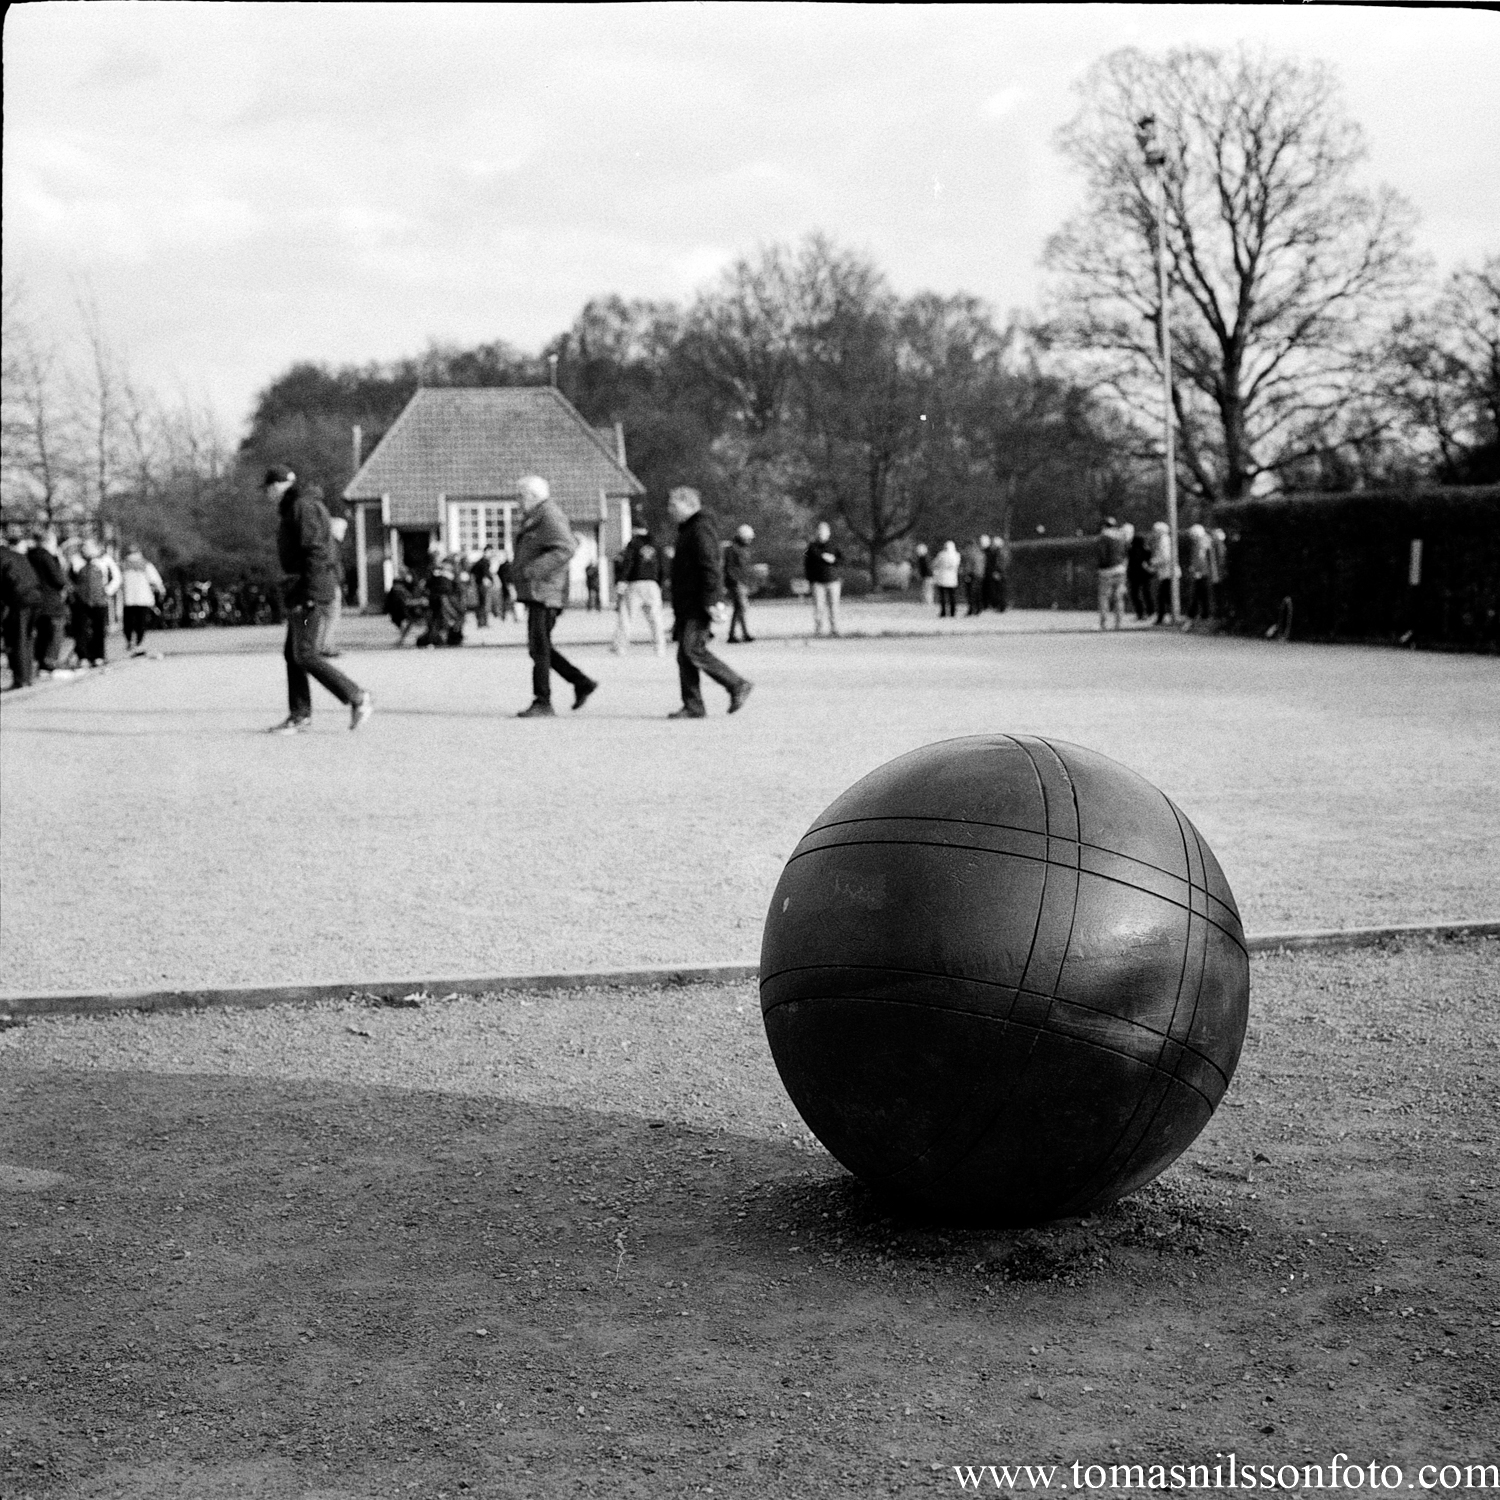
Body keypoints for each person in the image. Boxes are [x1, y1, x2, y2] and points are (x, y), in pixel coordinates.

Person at [263, 464, 373, 734]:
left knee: (305, 653)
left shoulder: (302, 506)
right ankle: (300, 714)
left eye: (268, 488)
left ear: (277, 485)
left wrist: (308, 591)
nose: (267, 494)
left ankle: (357, 696)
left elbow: (314, 550)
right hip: (305, 585)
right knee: (293, 653)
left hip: (311, 587)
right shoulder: (297, 505)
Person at [512, 474, 596, 718]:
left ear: (532, 496)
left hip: (546, 592)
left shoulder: (549, 515)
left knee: (539, 648)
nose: (518, 501)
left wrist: (533, 570)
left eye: (520, 496)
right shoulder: (539, 516)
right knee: (540, 647)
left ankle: (543, 701)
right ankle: (581, 682)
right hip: (539, 591)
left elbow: (567, 546)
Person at [668, 486, 751, 718]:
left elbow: (711, 566)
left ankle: (736, 684)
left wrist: (711, 600)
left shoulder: (700, 529)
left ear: (689, 504)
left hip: (698, 602)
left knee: (693, 649)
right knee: (685, 656)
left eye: (674, 505)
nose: (669, 510)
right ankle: (693, 706)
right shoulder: (688, 529)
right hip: (686, 603)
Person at [611, 519, 667, 655]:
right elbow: (663, 565)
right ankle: (660, 648)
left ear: (635, 529)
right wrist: (659, 583)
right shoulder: (656, 543)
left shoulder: (633, 543)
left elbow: (628, 562)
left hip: (635, 583)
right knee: (656, 618)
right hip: (652, 584)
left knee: (627, 617)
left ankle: (620, 647)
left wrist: (622, 579)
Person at [1, 526, 43, 690]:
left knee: (17, 639)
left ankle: (21, 679)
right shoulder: (17, 556)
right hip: (34, 599)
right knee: (27, 638)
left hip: (18, 600)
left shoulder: (3, 556)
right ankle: (27, 677)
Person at [28, 528, 72, 675]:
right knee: (55, 632)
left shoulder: (30, 555)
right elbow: (59, 579)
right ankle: (50, 661)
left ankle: (41, 662)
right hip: (51, 600)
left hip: (36, 600)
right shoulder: (47, 557)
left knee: (41, 633)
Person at [74, 540, 120, 666]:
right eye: (84, 547)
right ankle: (83, 656)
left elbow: (116, 577)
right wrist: (75, 592)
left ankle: (98, 655)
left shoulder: (106, 561)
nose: (86, 549)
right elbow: (69, 577)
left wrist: (108, 591)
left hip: (100, 600)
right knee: (81, 629)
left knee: (98, 629)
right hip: (82, 600)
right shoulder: (76, 561)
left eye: (89, 547)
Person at [120, 545, 165, 653]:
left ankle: (129, 640)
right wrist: (161, 589)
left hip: (128, 598)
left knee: (128, 622)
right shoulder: (145, 564)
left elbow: (118, 580)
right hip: (143, 598)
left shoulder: (123, 565)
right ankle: (138, 643)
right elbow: (155, 579)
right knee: (141, 622)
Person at [803, 521, 843, 637]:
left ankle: (835, 629)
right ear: (816, 533)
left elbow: (843, 560)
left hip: (833, 581)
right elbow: (807, 564)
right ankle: (818, 630)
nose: (821, 534)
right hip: (817, 583)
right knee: (818, 608)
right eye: (819, 531)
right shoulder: (811, 547)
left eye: (824, 531)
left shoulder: (834, 546)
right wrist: (810, 580)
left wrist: (833, 560)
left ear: (828, 533)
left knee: (834, 607)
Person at [1095, 517, 1130, 631]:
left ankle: (1104, 623)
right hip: (1120, 570)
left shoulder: (1103, 537)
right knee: (1118, 597)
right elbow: (1125, 554)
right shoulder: (1121, 537)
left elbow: (1102, 555)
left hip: (1106, 571)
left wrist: (1100, 567)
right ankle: (1119, 623)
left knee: (1104, 597)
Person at [723, 523, 756, 643]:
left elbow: (745, 568)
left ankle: (739, 633)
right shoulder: (732, 549)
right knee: (741, 607)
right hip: (736, 583)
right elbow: (730, 568)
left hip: (742, 582)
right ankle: (736, 634)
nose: (750, 540)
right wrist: (735, 582)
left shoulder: (744, 549)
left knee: (739, 609)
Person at [1184, 523, 1221, 625]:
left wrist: (1197, 571)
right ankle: (1202, 615)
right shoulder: (1204, 540)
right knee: (1202, 594)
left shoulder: (1201, 542)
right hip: (1204, 573)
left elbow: (1201, 559)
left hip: (1202, 574)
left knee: (1199, 594)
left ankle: (1196, 615)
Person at [1148, 521, 1180, 625]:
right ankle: (1168, 617)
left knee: (1163, 597)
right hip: (1166, 573)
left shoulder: (1164, 541)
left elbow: (1165, 557)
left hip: (1169, 573)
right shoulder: (1163, 540)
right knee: (1166, 597)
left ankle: (1163, 618)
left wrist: (1154, 562)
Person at [1126, 525, 1152, 622]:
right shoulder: (1146, 550)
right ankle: (1149, 612)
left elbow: (1130, 564)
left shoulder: (1131, 550)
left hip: (1135, 576)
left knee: (1135, 595)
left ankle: (1141, 613)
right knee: (1146, 594)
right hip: (1145, 575)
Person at [931, 540, 961, 617]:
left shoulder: (941, 555)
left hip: (943, 578)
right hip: (953, 578)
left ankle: (943, 612)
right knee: (952, 596)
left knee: (943, 596)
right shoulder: (957, 555)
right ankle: (953, 611)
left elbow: (935, 563)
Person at [962, 535, 989, 616]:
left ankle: (971, 609)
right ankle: (978, 608)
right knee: (977, 592)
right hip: (980, 574)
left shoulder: (970, 553)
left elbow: (969, 565)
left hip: (972, 574)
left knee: (970, 593)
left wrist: (967, 574)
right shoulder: (980, 552)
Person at [471, 546, 495, 627]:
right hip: (484, 585)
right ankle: (483, 622)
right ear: (486, 551)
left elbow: (472, 571)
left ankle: (482, 622)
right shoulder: (484, 562)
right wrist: (484, 579)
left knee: (482, 603)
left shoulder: (480, 561)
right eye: (490, 552)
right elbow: (486, 574)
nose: (492, 554)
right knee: (485, 604)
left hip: (480, 584)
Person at [984, 535, 1009, 612]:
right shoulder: (1004, 551)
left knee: (1000, 590)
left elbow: (999, 564)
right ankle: (1001, 606)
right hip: (1002, 573)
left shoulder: (999, 552)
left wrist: (997, 572)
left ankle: (1001, 606)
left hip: (1000, 573)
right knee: (1000, 590)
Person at [913, 542, 934, 607]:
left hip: (927, 576)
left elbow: (925, 568)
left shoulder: (923, 559)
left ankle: (928, 602)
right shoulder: (926, 558)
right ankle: (927, 602)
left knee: (927, 590)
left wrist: (921, 575)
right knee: (927, 590)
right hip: (928, 576)